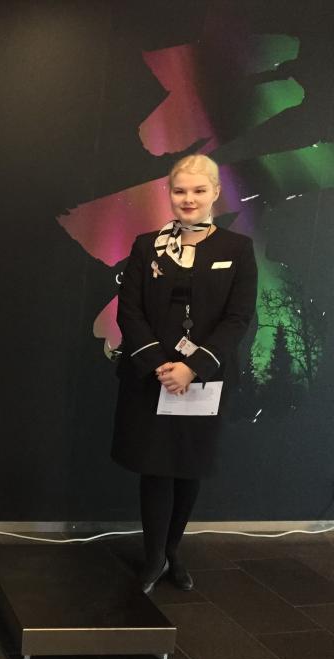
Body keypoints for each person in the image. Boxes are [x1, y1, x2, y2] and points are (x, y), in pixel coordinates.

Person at [111, 154, 258, 594]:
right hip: (151, 375)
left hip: (203, 379)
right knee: (155, 467)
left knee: (188, 467)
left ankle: (174, 548)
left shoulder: (236, 249)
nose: (188, 199)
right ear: (169, 194)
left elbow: (237, 318)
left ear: (215, 193)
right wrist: (161, 365)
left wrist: (192, 367)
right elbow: (130, 312)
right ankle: (153, 556)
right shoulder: (144, 245)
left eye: (198, 190)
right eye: (180, 190)